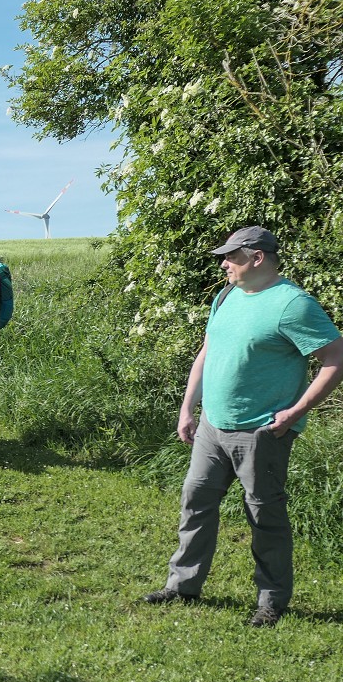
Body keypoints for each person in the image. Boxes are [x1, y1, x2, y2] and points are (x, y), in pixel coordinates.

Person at [144, 226, 343, 628]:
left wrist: (295, 412)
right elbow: (207, 351)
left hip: (262, 434)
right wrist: (188, 409)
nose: (224, 263)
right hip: (212, 427)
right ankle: (182, 586)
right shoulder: (227, 295)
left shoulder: (293, 305)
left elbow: (335, 358)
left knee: (264, 517)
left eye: (232, 257)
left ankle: (271, 601)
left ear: (257, 258)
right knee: (195, 505)